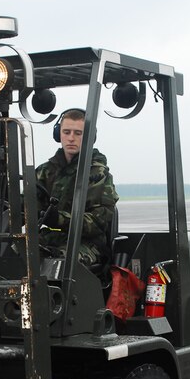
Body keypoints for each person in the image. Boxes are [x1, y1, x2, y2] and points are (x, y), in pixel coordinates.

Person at [36, 108, 118, 268]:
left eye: (78, 133)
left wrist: (58, 218)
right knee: (10, 255)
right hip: (50, 238)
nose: (71, 138)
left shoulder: (97, 174)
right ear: (58, 134)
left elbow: (99, 222)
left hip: (87, 244)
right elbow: (28, 205)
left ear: (88, 137)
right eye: (66, 132)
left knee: (58, 265)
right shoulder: (45, 171)